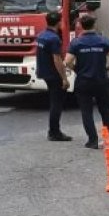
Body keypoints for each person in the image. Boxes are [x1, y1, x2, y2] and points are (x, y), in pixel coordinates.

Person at [65, 14, 109, 149]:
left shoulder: (76, 42)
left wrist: (77, 69)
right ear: (94, 25)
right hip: (101, 80)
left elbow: (67, 61)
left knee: (86, 111)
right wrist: (107, 68)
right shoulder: (104, 41)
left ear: (81, 26)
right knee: (105, 111)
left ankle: (92, 140)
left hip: (83, 81)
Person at [35, 11, 71, 141]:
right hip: (53, 73)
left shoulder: (40, 36)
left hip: (43, 72)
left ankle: (53, 131)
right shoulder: (54, 39)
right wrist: (64, 78)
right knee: (56, 104)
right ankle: (54, 131)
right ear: (59, 22)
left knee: (54, 101)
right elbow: (57, 60)